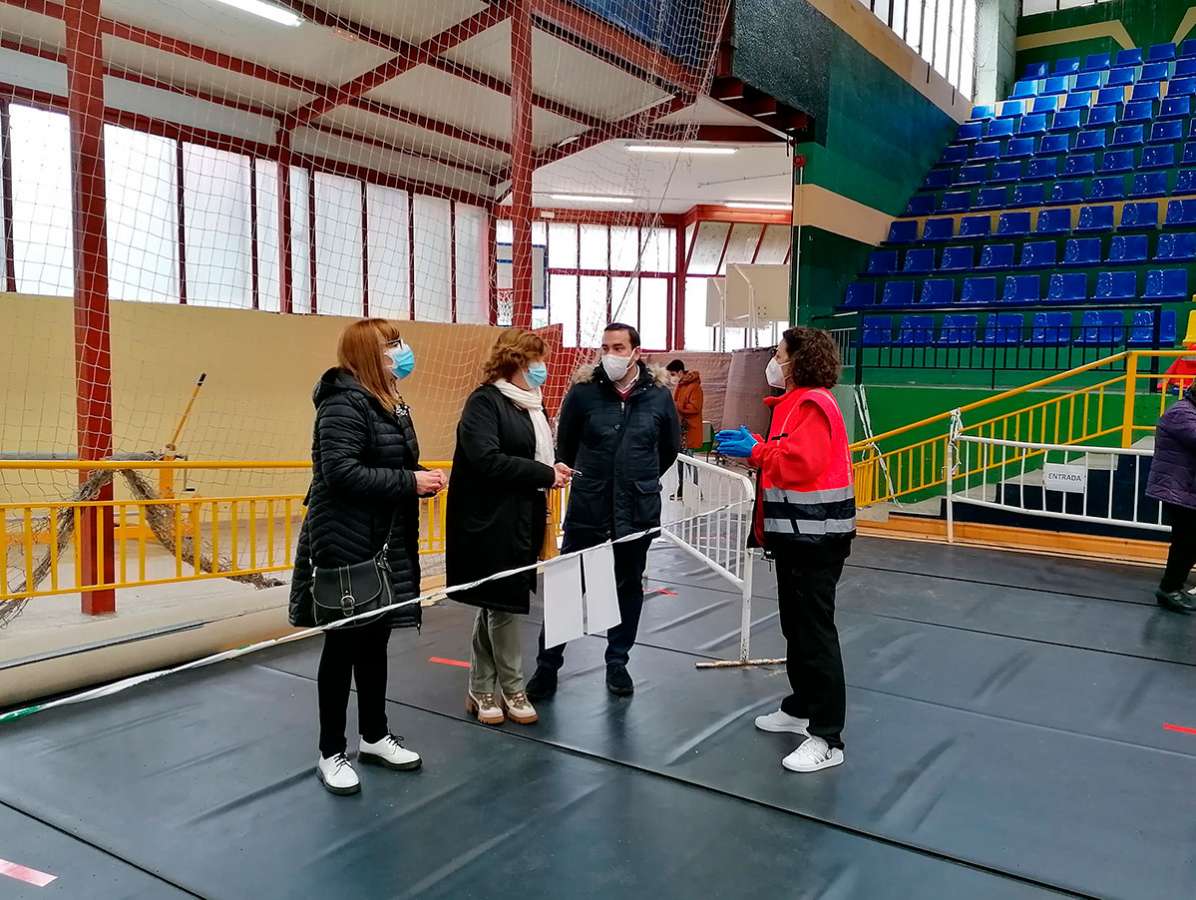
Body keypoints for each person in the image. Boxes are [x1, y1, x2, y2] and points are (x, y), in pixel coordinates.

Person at [290, 318, 446, 796]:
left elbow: (390, 462)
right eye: (390, 344)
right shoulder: (342, 403)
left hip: (385, 538)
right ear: (366, 353)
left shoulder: (388, 400)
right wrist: (409, 482)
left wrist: (420, 477)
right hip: (345, 542)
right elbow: (340, 472)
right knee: (342, 649)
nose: (401, 350)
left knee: (376, 642)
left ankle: (374, 736)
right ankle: (331, 752)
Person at [716, 326, 854, 774]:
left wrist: (757, 452)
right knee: (796, 628)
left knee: (815, 634)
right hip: (796, 535)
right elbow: (787, 455)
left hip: (817, 539)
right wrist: (760, 449)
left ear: (798, 361)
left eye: (779, 354)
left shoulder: (813, 403)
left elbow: (801, 464)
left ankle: (827, 737)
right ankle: (801, 708)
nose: (774, 361)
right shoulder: (791, 403)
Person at [526, 323, 681, 699]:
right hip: (589, 505)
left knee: (628, 585)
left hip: (637, 509)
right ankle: (547, 665)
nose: (610, 354)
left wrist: (637, 480)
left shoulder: (658, 396)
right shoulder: (583, 393)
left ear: (636, 352)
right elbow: (566, 446)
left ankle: (618, 662)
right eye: (606, 347)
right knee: (569, 585)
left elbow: (668, 449)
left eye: (619, 347)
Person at [446, 329, 573, 726]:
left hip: (522, 517)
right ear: (516, 361)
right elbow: (486, 459)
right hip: (489, 520)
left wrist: (551, 469)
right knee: (503, 604)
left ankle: (480, 687)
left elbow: (532, 456)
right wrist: (543, 473)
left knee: (496, 603)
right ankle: (512, 687)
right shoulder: (485, 402)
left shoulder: (532, 405)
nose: (543, 368)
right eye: (536, 360)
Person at [1145, 384, 1196, 613]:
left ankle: (1173, 587)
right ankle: (1169, 588)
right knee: (1185, 542)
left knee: (1188, 542)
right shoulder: (1181, 413)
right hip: (1178, 489)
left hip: (1186, 488)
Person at [666, 359, 704, 500]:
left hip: (689, 430)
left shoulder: (694, 387)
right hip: (681, 429)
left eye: (673, 374)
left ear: (680, 372)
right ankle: (681, 489)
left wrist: (677, 406)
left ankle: (696, 490)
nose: (672, 378)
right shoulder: (681, 386)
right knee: (681, 461)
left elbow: (695, 407)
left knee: (690, 462)